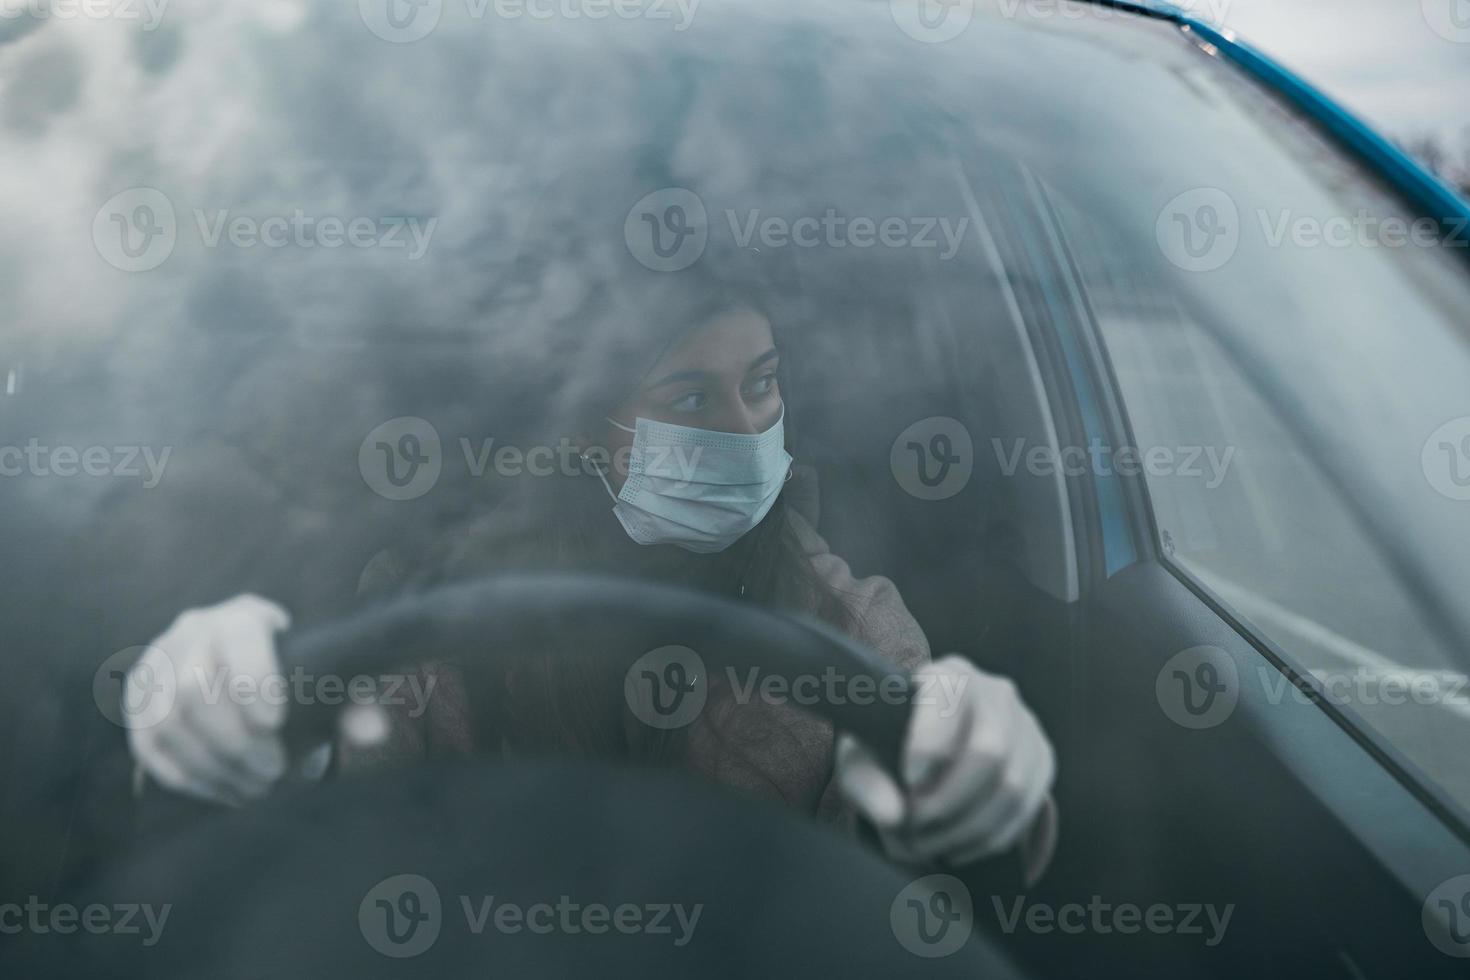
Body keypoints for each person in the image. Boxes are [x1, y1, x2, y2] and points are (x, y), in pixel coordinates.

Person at [125, 267, 1058, 880]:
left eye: (763, 383)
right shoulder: (441, 607)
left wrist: (953, 751)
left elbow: (916, 746)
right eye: (689, 396)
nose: (744, 427)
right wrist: (242, 713)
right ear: (582, 433)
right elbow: (345, 795)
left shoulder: (833, 613)